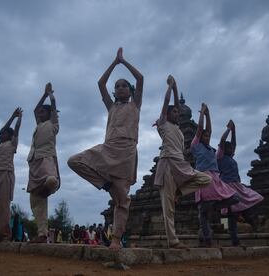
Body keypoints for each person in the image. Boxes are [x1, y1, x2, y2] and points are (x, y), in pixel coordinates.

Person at [68, 48, 143, 250]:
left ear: (130, 90)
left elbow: (141, 77)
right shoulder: (111, 107)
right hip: (108, 148)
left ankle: (117, 239)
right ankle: (104, 184)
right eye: (117, 86)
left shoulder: (135, 105)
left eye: (124, 86)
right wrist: (113, 63)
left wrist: (124, 61)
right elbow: (100, 84)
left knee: (122, 200)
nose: (119, 88)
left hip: (126, 152)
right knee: (74, 161)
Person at [154, 75, 211, 249]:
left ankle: (180, 192)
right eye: (174, 112)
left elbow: (177, 106)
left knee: (207, 179)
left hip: (181, 165)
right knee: (168, 208)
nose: (177, 113)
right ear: (167, 114)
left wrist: (177, 86)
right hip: (167, 165)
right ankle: (173, 241)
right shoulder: (163, 124)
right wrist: (170, 87)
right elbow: (167, 102)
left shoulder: (178, 129)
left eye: (178, 112)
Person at [190, 104, 239, 247]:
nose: (207, 136)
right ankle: (207, 239)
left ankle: (216, 206)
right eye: (204, 135)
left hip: (216, 179)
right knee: (203, 214)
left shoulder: (211, 149)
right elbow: (200, 128)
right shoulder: (195, 145)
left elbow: (209, 129)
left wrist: (208, 114)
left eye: (207, 135)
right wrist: (202, 114)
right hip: (204, 178)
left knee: (234, 198)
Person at [217, 120, 264, 243]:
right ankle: (229, 233)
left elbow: (234, 143)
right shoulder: (220, 156)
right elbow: (222, 141)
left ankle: (250, 223)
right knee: (229, 212)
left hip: (237, 185)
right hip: (227, 186)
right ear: (223, 149)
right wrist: (228, 129)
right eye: (228, 148)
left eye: (231, 148)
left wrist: (234, 130)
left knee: (248, 202)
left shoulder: (230, 156)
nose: (230, 149)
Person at [27, 82, 60, 243]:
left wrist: (50, 96)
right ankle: (42, 233)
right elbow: (34, 109)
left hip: (47, 158)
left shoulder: (53, 124)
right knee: (35, 199)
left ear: (49, 114)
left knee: (52, 180)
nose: (39, 114)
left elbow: (53, 107)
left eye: (42, 112)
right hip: (34, 161)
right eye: (39, 113)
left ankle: (49, 188)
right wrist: (43, 94)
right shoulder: (39, 125)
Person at [0, 107, 22, 243]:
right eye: (1, 134)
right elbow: (3, 129)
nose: (1, 135)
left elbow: (16, 130)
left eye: (4, 134)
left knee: (2, 205)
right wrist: (11, 116)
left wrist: (18, 118)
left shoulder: (12, 144)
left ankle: (5, 235)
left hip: (5, 173)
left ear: (10, 135)